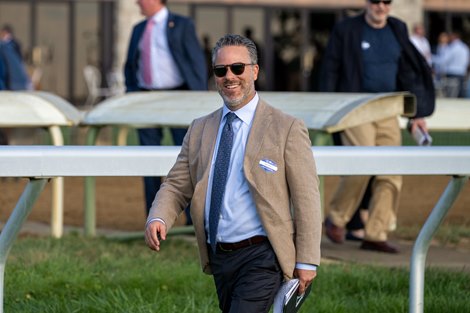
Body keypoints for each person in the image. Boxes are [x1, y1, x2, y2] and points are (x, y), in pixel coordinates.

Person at [145, 34, 322, 312]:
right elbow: (178, 184)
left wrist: (307, 260)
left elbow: (307, 198)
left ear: (254, 71)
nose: (230, 76)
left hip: (263, 256)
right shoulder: (200, 128)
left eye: (238, 68)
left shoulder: (287, 128)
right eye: (221, 70)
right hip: (219, 257)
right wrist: (159, 216)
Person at [320, 0, 435, 253]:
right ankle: (337, 218)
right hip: (355, 108)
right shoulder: (347, 29)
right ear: (366, 3)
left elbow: (409, 71)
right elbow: (330, 67)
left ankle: (375, 233)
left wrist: (416, 112)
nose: (380, 6)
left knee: (391, 170)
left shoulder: (397, 28)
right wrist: (326, 106)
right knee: (363, 162)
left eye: (386, 2)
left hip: (389, 107)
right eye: (375, 1)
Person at [124, 0, 207, 216]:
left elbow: (196, 62)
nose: (137, 2)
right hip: (146, 100)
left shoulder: (181, 24)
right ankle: (154, 217)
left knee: (186, 157)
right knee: (148, 158)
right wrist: (132, 93)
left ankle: (192, 219)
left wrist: (198, 99)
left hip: (178, 99)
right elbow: (131, 65)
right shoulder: (139, 29)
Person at [434, 31, 470, 98]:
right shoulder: (465, 47)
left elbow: (443, 61)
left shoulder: (452, 47)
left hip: (451, 73)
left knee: (451, 96)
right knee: (460, 96)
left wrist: (432, 58)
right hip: (461, 73)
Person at [0, 24, 31, 91]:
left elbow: (4, 70)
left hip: (13, 84)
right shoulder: (14, 46)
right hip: (22, 83)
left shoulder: (4, 47)